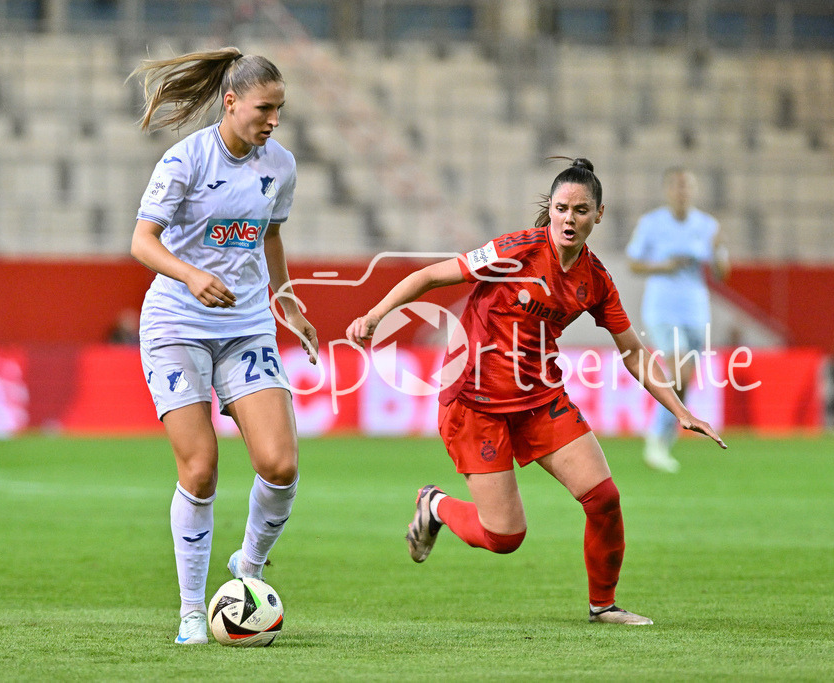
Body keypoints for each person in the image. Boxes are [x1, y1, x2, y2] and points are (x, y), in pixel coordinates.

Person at [347, 158, 726, 626]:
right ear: (552, 209)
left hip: (539, 399)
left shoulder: (596, 280)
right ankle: (436, 505)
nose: (570, 218)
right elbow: (428, 277)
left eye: (581, 210)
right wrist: (374, 314)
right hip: (475, 402)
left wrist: (679, 408)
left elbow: (632, 351)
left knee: (604, 498)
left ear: (599, 215)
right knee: (506, 536)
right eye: (563, 208)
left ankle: (602, 605)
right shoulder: (514, 251)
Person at [128, 47, 318, 645]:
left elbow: (271, 235)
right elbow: (142, 242)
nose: (274, 120)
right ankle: (191, 612)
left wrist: (285, 299)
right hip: (177, 325)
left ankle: (248, 571)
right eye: (265, 108)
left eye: (280, 109)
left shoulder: (280, 164)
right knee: (201, 468)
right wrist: (189, 274)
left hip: (245, 326)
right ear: (231, 102)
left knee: (280, 464)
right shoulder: (185, 159)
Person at [625, 166, 729, 472]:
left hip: (696, 311)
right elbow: (633, 263)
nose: (682, 192)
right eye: (677, 186)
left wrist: (719, 249)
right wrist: (665, 266)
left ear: (693, 191)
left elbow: (723, 275)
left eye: (687, 187)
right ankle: (656, 438)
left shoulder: (707, 226)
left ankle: (663, 437)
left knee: (684, 381)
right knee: (680, 373)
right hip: (662, 309)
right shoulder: (652, 224)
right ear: (668, 190)